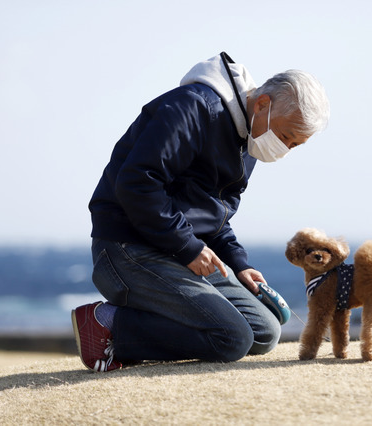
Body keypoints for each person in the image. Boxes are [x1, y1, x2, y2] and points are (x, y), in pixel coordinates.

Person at [71, 52, 329, 372]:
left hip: (175, 251)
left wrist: (239, 264)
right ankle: (109, 324)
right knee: (231, 338)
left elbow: (214, 218)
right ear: (262, 104)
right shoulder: (193, 107)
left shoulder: (249, 140)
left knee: (264, 332)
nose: (285, 149)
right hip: (127, 246)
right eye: (287, 137)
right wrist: (187, 246)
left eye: (295, 145)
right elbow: (137, 183)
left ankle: (147, 323)